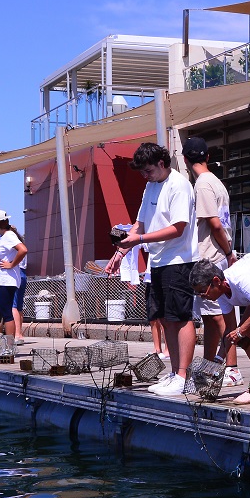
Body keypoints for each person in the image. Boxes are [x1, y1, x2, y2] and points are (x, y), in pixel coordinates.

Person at [106, 142, 196, 398]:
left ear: (161, 163)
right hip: (157, 261)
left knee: (180, 316)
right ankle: (175, 373)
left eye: (148, 171)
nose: (145, 176)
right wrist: (120, 252)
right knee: (164, 317)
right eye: (142, 172)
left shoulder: (179, 184)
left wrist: (140, 241)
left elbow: (178, 227)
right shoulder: (150, 186)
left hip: (178, 259)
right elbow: (140, 224)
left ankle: (184, 375)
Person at [190, 254, 250, 403]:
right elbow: (231, 330)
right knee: (244, 337)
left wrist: (240, 330)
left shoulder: (239, 279)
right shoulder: (222, 294)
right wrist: (217, 361)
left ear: (216, 281)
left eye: (203, 291)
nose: (202, 297)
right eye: (198, 294)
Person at [184, 135, 241, 388]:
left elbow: (215, 223)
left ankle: (231, 367)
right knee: (211, 317)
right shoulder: (216, 182)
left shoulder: (203, 184)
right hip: (218, 254)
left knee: (219, 316)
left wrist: (228, 251)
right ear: (207, 157)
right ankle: (211, 364)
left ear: (185, 160)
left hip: (212, 257)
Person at [0, 210, 27, 351]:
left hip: (6, 281)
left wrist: (12, 264)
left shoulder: (9, 235)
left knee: (6, 313)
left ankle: (10, 348)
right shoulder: (1, 237)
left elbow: (23, 250)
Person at [8, 225, 30, 345]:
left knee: (13, 306)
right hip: (23, 274)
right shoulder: (22, 244)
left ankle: (17, 334)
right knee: (19, 306)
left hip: (16, 274)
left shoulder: (13, 246)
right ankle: (19, 332)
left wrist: (10, 264)